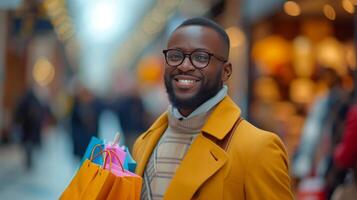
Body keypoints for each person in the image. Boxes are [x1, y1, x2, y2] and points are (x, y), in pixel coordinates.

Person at [132, 17, 293, 200]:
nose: (184, 65)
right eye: (175, 56)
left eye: (201, 57)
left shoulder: (257, 149)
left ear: (226, 71)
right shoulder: (143, 143)